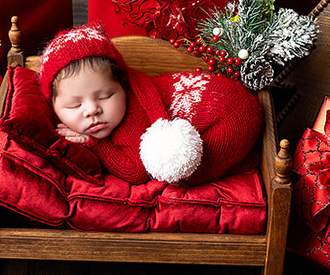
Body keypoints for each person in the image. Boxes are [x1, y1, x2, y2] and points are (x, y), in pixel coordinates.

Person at [39, 22, 263, 185]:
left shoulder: (132, 117)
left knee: (184, 178)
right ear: (54, 106)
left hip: (234, 115)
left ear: (123, 86)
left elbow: (134, 171)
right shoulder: (102, 110)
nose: (92, 110)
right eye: (74, 105)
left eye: (105, 96)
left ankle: (240, 162)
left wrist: (93, 143)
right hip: (229, 104)